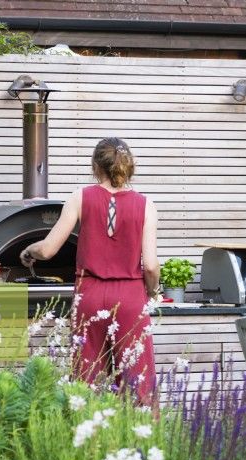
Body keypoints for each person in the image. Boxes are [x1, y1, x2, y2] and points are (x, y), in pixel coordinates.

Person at [21, 138, 160, 404]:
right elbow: (151, 265)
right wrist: (152, 292)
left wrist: (29, 250)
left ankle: (87, 438)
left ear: (95, 166)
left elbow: (48, 249)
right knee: (137, 383)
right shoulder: (146, 205)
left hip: (91, 295)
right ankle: (142, 439)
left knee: (86, 381)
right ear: (130, 166)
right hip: (131, 297)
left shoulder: (80, 197)